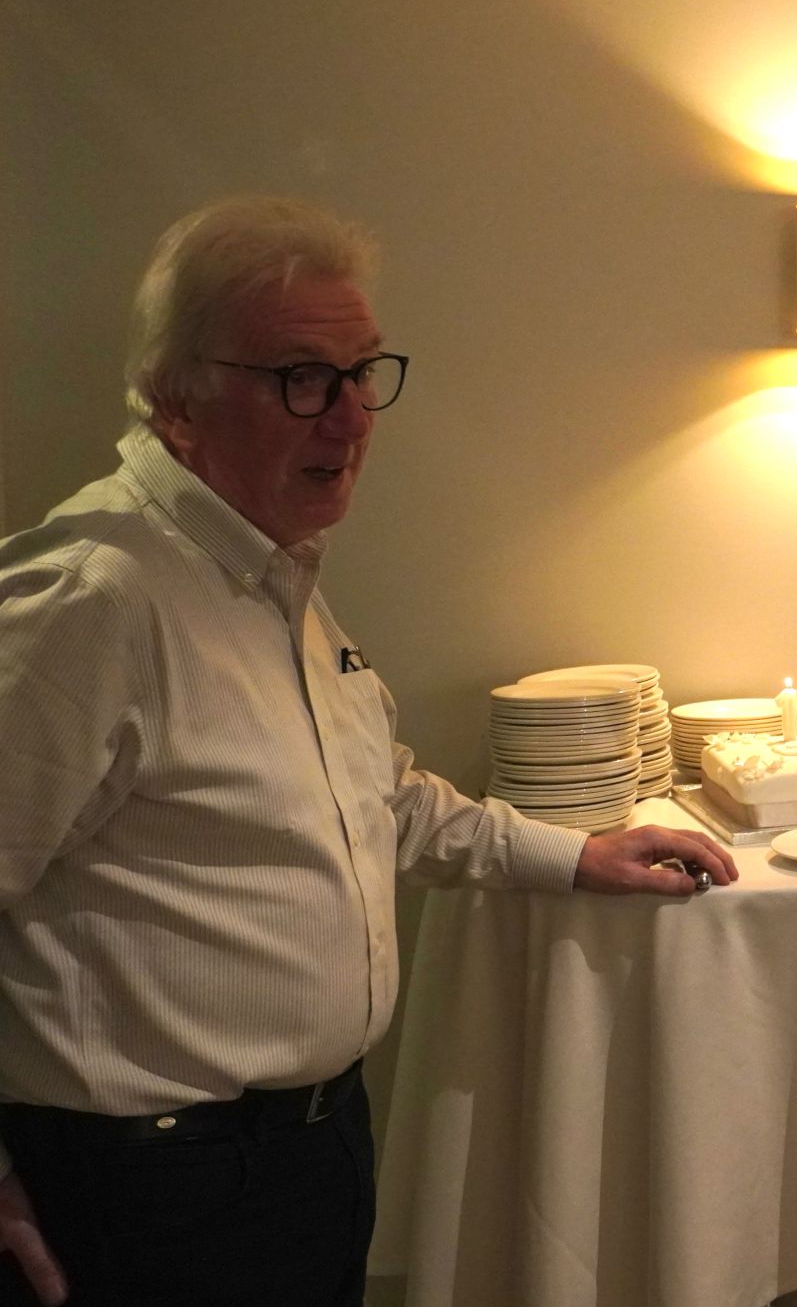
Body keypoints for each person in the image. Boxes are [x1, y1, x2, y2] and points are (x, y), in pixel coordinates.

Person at [0, 197, 739, 1307]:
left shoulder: (265, 564)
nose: (349, 420)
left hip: (310, 1146)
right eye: (301, 378)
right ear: (175, 398)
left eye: (361, 373)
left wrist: (577, 855)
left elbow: (373, 797)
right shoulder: (95, 598)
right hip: (146, 1187)